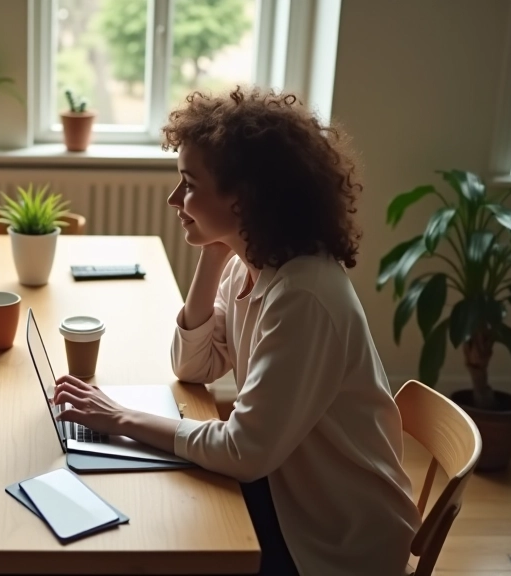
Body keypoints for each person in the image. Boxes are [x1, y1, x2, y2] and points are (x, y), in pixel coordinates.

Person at [52, 87, 421, 575]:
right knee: (155, 509)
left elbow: (243, 452)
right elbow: (194, 365)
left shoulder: (303, 297)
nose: (174, 199)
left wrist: (120, 418)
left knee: (162, 536)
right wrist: (214, 252)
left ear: (245, 199)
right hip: (289, 492)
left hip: (336, 539)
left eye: (189, 184)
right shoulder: (253, 264)